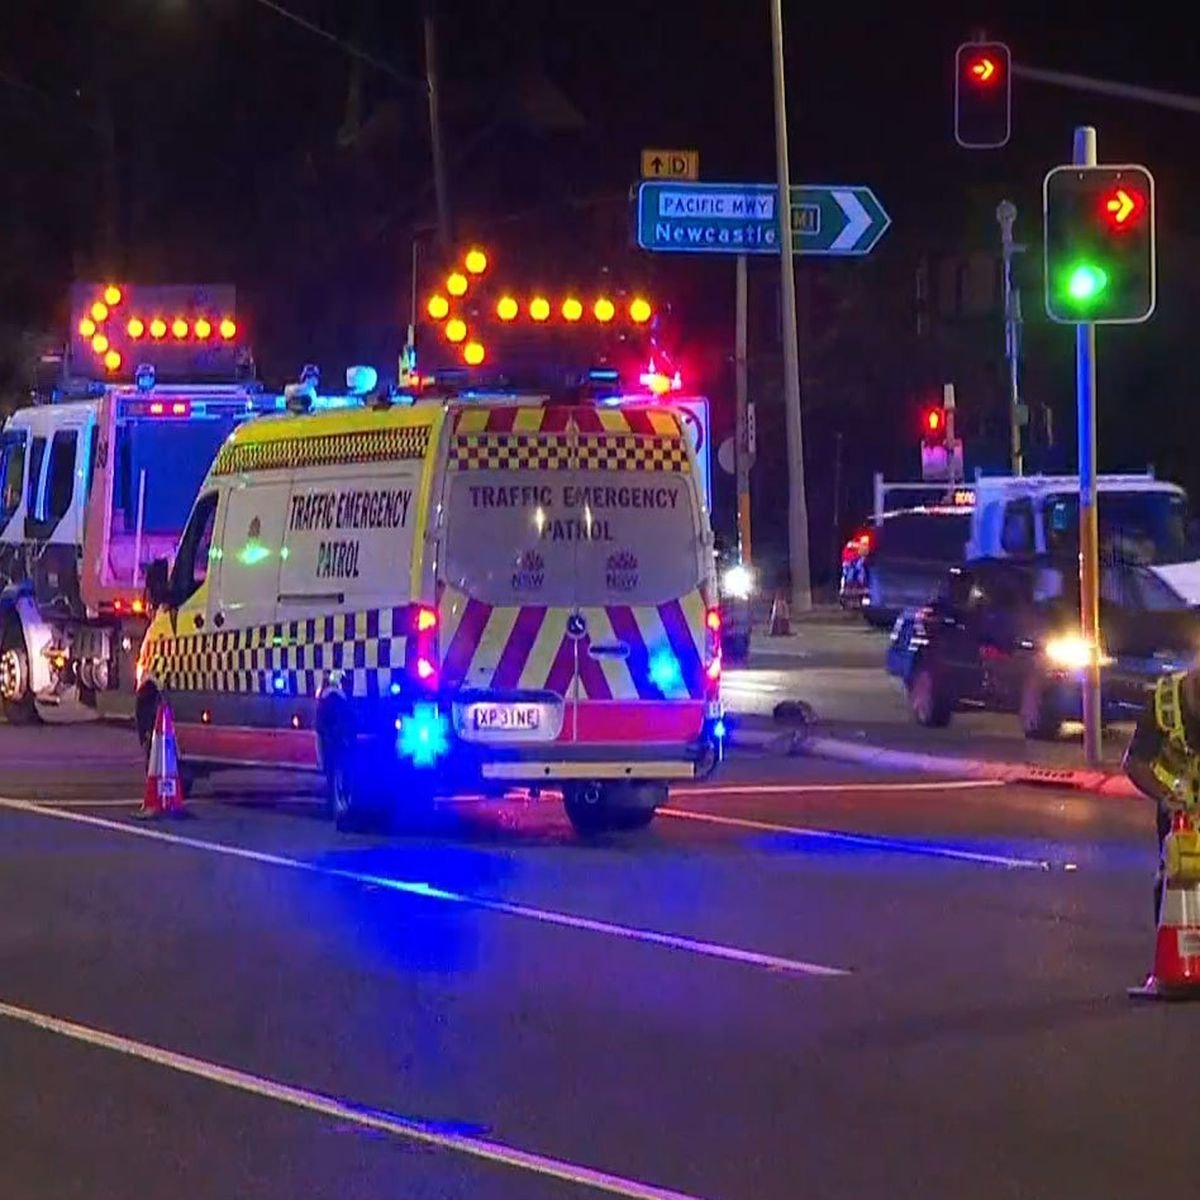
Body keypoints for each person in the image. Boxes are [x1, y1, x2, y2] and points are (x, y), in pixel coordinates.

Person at [1123, 669, 1200, 922]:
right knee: (1177, 887)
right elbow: (1135, 762)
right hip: (1179, 818)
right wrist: (1165, 797)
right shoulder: (1165, 700)